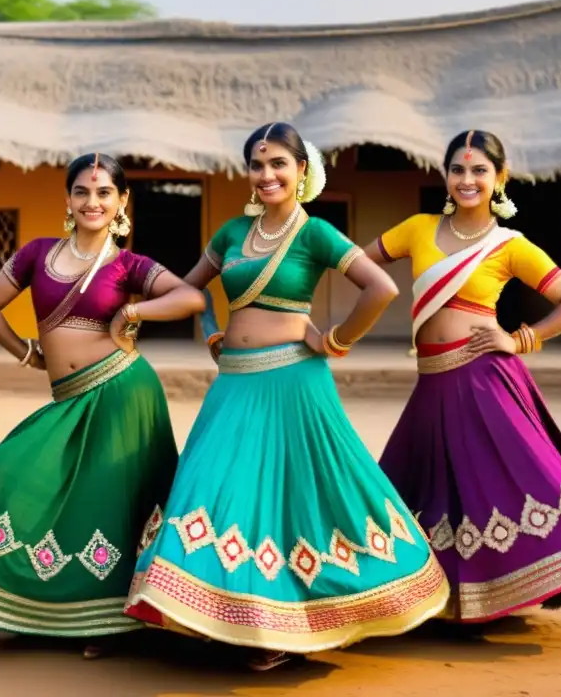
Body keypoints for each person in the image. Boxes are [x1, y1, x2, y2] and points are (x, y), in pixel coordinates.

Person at [125, 122, 451, 671]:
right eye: (257, 163)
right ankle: (218, 613)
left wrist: (337, 340)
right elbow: (188, 289)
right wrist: (209, 331)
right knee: (214, 488)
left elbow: (382, 287)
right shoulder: (231, 234)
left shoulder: (316, 234)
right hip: (234, 383)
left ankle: (284, 629)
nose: (267, 173)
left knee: (293, 499)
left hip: (295, 382)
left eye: (279, 163)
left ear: (302, 171)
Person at [0, 153, 205, 659]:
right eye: (83, 193)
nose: (93, 202)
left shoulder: (128, 265)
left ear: (122, 202)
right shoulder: (36, 253)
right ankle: (34, 605)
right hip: (68, 400)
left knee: (109, 512)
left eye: (104, 193)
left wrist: (132, 309)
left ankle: (106, 623)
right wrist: (25, 351)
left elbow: (190, 299)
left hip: (122, 395)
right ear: (68, 199)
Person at [368, 130, 561, 624]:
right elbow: (355, 262)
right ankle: (442, 594)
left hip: (485, 380)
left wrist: (521, 338)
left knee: (522, 481)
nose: (468, 179)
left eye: (480, 170)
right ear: (445, 177)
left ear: (499, 179)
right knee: (424, 489)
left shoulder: (510, 245)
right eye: (459, 170)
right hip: (434, 386)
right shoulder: (416, 228)